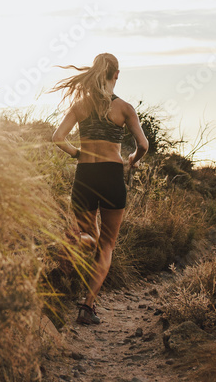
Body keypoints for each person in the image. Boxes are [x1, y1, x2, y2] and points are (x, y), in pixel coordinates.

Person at [50, 53, 148, 325]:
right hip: (112, 175)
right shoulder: (125, 108)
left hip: (85, 174)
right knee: (107, 245)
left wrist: (76, 153)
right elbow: (143, 146)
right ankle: (87, 305)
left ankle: (78, 241)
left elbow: (57, 138)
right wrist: (132, 161)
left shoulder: (80, 106)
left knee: (87, 234)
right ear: (116, 74)